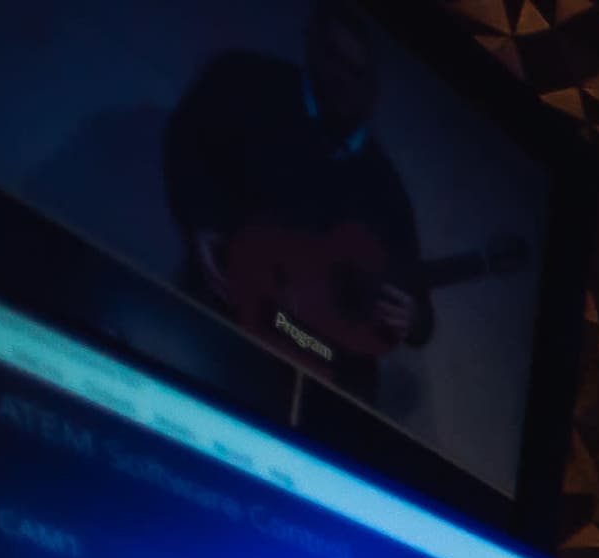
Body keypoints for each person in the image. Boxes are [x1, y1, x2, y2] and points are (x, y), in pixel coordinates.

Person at [162, 3, 431, 400]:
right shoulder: (246, 83)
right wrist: (201, 221)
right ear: (313, 48)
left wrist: (414, 318)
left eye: (356, 72)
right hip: (220, 329)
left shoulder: (386, 187)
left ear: (374, 87)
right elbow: (185, 144)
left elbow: (415, 299)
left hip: (320, 383)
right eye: (333, 58)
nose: (341, 79)